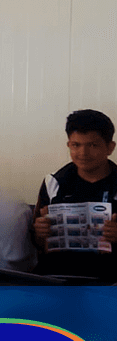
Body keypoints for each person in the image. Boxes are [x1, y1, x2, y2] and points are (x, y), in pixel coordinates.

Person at [32, 109, 117, 281]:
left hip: (108, 280)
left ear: (110, 147)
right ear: (68, 145)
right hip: (57, 276)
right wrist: (40, 233)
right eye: (76, 145)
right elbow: (37, 243)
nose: (83, 153)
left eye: (93, 145)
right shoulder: (53, 183)